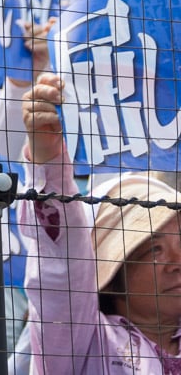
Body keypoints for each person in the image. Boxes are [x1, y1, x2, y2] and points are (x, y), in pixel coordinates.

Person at [20, 72, 181, 372]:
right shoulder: (82, 341)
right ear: (113, 269)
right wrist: (48, 158)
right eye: (155, 250)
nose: (177, 262)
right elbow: (63, 268)